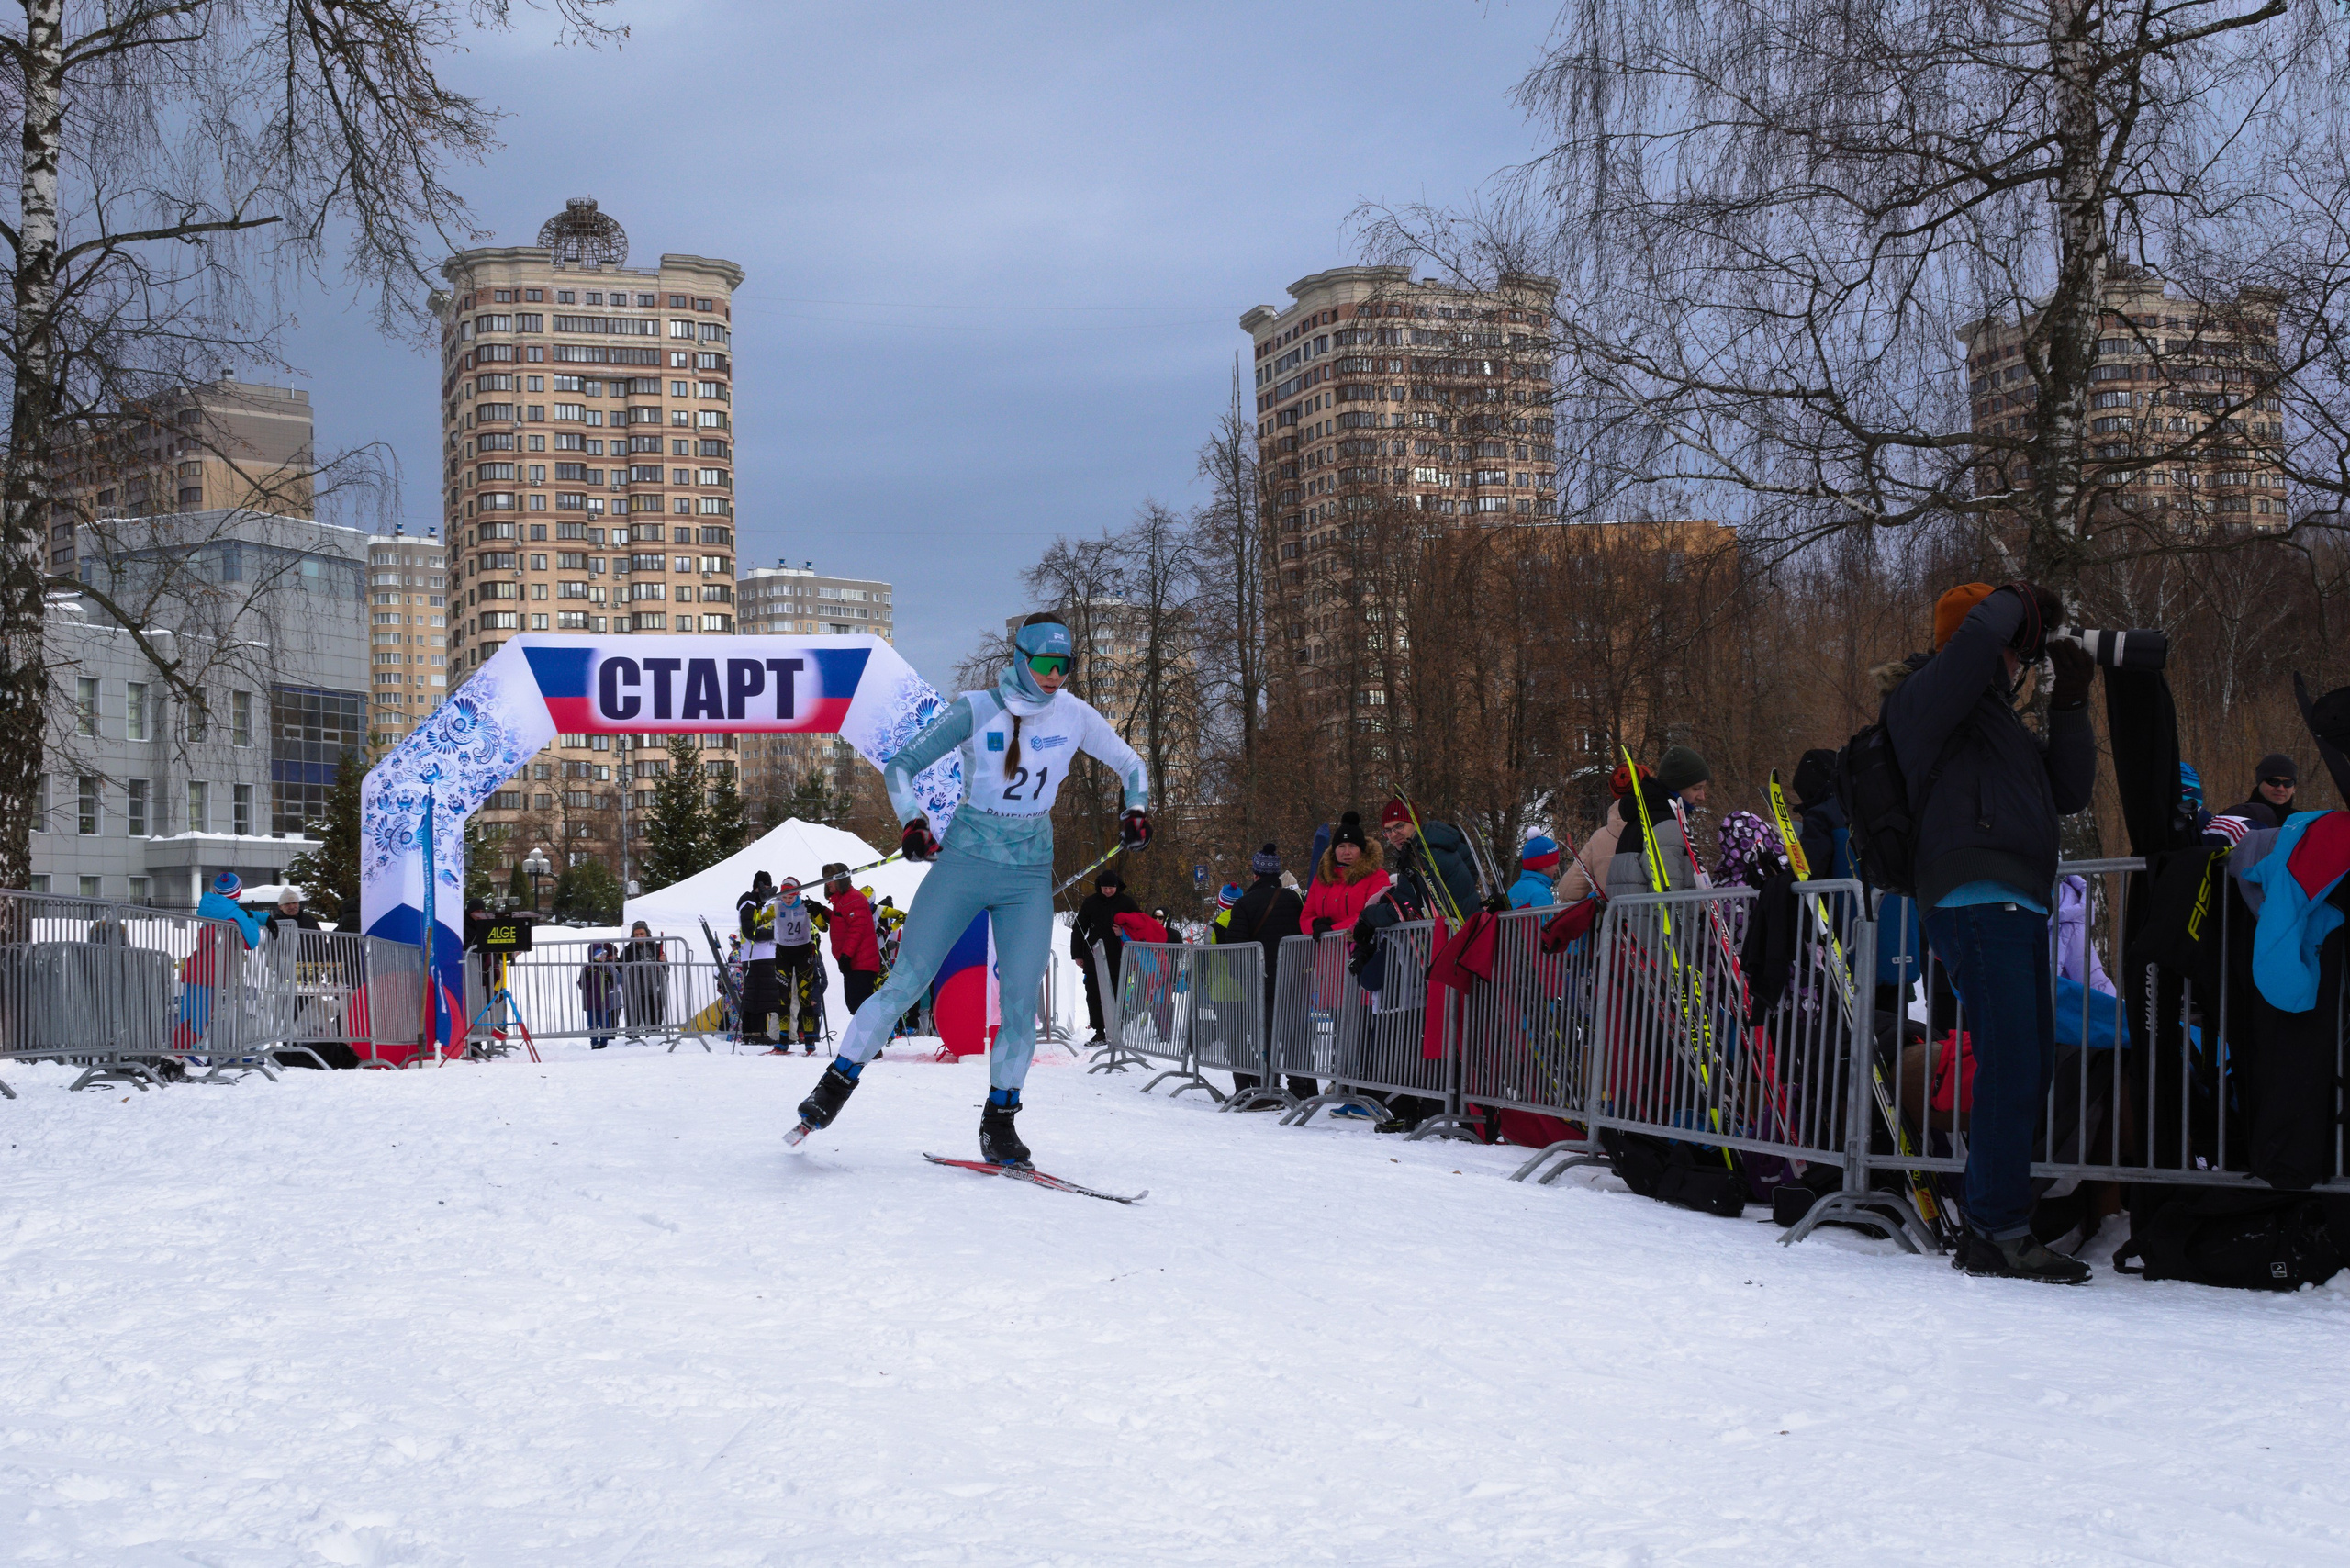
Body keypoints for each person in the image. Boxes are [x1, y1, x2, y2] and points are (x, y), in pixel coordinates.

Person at [793, 612, 1149, 1166]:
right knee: (906, 984)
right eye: (1046, 665)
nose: (1055, 676)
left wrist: (1136, 810)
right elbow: (902, 767)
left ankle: (1000, 1123)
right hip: (964, 859)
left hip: (1029, 872)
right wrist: (912, 822)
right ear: (1020, 659)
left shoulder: (1074, 715)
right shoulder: (977, 708)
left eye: (1065, 665)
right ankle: (836, 1084)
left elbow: (1132, 765)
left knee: (1018, 1004)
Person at [1882, 579, 2097, 1283]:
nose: (2015, 667)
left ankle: (1996, 1224)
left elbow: (2069, 791)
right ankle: (1996, 1231)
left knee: (2026, 1061)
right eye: (2015, 653)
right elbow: (1975, 642)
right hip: (1978, 897)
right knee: (2011, 1062)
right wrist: (2022, 601)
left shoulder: (1996, 726)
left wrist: (2069, 700)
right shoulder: (1926, 700)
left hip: (2016, 900)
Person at [1222, 843, 1312, 1103]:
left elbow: (1236, 948)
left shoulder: (1245, 904)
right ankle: (1299, 1087)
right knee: (1294, 1034)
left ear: (1255, 874)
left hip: (1261, 982)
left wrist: (1244, 980)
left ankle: (1270, 1089)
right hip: (1294, 978)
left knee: (1266, 1035)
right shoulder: (1294, 900)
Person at [1378, 798, 1480, 923]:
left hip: (1462, 933)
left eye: (1399, 826)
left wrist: (1366, 917)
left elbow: (1405, 906)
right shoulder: (1418, 851)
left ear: (1415, 824)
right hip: (1454, 931)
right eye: (1387, 830)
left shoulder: (1429, 853)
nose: (1393, 834)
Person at [1071, 867, 1140, 1042]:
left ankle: (1116, 1029)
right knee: (1093, 994)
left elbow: (1140, 926)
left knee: (1118, 994)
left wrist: (1123, 932)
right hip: (1094, 957)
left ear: (1117, 886)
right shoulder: (1091, 903)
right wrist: (1078, 954)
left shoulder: (1127, 903)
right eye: (1105, 888)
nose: (1108, 891)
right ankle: (1100, 1031)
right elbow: (1078, 929)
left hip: (1120, 957)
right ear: (1099, 887)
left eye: (1111, 888)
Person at [807, 863, 881, 1014]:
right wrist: (821, 909)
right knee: (854, 1004)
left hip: (862, 963)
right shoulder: (841, 900)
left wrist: (846, 955)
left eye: (831, 879)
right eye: (826, 880)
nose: (827, 883)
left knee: (859, 1004)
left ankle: (869, 1035)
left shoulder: (854, 899)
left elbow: (857, 929)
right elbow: (840, 921)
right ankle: (865, 1035)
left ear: (840, 880)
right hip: (854, 963)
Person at [769, 877, 824, 1053]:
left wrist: (816, 912)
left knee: (805, 997)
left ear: (798, 893)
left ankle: (810, 1039)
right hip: (783, 953)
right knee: (783, 997)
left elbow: (823, 927)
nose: (787, 900)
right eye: (784, 897)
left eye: (791, 896)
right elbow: (758, 920)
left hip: (803, 953)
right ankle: (783, 1039)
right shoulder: (776, 906)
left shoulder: (805, 905)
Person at [737, 869, 779, 1048]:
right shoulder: (749, 902)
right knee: (756, 995)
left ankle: (758, 1031)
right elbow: (749, 931)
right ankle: (753, 1031)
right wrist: (773, 934)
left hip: (766, 955)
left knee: (764, 996)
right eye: (765, 886)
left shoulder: (760, 903)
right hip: (755, 956)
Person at [621, 919, 667, 1037]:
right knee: (633, 1020)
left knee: (654, 1020)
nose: (639, 936)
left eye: (642, 933)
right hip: (634, 992)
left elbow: (666, 970)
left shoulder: (657, 948)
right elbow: (621, 969)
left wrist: (664, 962)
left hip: (654, 991)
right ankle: (632, 1041)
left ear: (647, 933)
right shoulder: (628, 950)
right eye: (636, 935)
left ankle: (653, 1040)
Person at [2231, 753, 2298, 830]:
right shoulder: (2236, 818)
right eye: (2273, 781)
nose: (2281, 789)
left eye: (2288, 783)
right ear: (2259, 782)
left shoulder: (2303, 823)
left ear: (2294, 786)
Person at [580, 942, 622, 1049]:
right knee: (593, 1024)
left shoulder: (605, 968)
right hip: (591, 1003)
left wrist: (611, 980)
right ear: (595, 956)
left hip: (604, 1002)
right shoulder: (587, 969)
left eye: (605, 955)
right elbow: (582, 985)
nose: (604, 957)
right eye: (602, 955)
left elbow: (609, 984)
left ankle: (604, 1043)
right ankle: (594, 1043)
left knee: (606, 1024)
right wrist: (588, 978)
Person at [1509, 837, 1561, 910]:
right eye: (1555, 864)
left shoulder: (1514, 889)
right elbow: (1547, 921)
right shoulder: (1542, 894)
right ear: (1543, 865)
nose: (1557, 869)